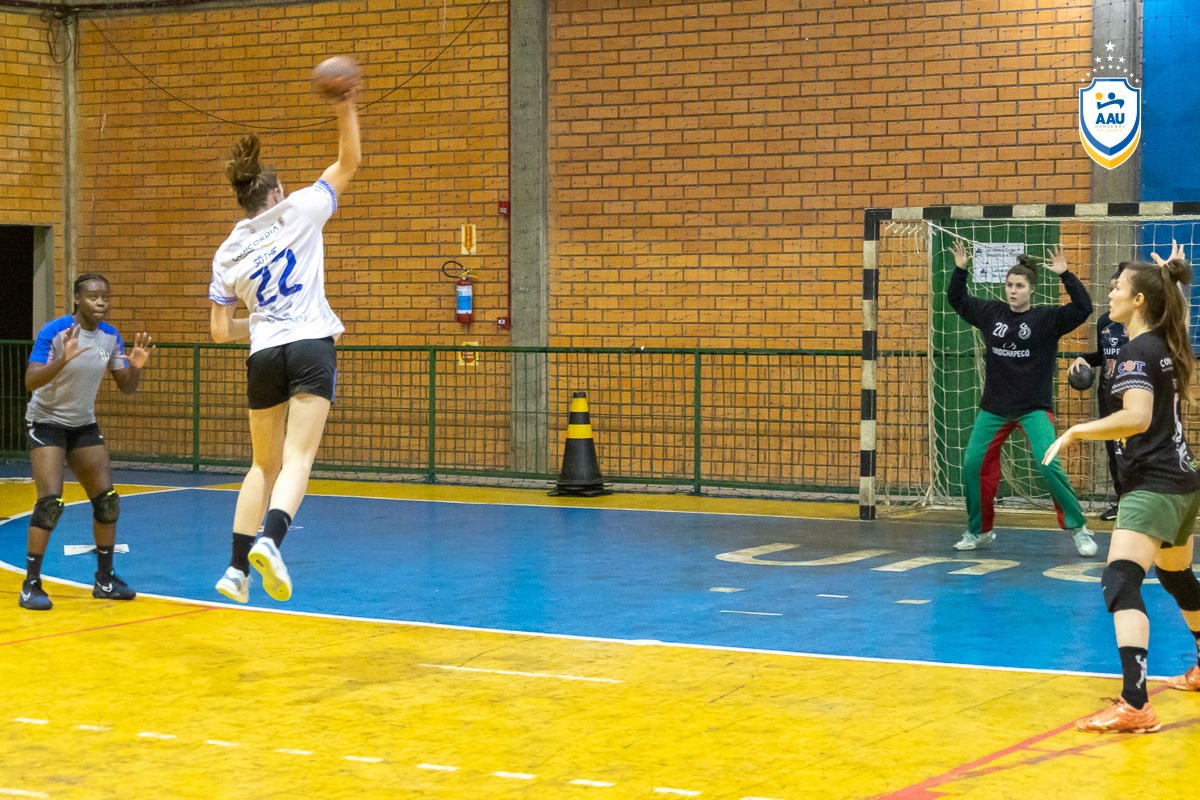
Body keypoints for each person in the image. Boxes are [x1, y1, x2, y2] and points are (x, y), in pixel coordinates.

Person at [208, 68, 361, 604]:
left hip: (264, 352)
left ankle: (235, 571)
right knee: (299, 460)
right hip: (311, 343)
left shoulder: (227, 251)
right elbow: (349, 164)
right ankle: (271, 543)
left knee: (260, 465)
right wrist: (344, 104)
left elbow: (221, 331)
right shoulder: (299, 206)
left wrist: (265, 318)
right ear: (274, 191)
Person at [1043, 242, 1200, 733]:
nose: (1110, 292)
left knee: (1120, 581)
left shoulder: (1138, 349)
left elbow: (1136, 417)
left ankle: (1135, 704)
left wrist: (1074, 432)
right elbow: (1177, 310)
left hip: (1153, 484)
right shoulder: (1169, 340)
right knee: (1177, 578)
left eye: (1117, 288)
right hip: (1184, 482)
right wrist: (1171, 280)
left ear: (1138, 302)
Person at [947, 241, 1097, 556]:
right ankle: (979, 531)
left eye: (1019, 286)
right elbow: (957, 299)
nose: (1013, 290)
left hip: (1034, 409)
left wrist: (1066, 274)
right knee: (973, 464)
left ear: (1031, 289)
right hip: (995, 408)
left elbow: (1084, 308)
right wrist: (961, 269)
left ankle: (1079, 527)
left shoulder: (1047, 319)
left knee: (1048, 464)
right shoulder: (990, 313)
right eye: (1009, 285)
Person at [19, 273, 153, 610]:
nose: (101, 302)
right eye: (93, 296)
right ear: (78, 298)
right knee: (50, 502)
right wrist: (63, 359)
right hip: (46, 423)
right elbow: (30, 381)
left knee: (107, 501)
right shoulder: (55, 332)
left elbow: (126, 386)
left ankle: (105, 580)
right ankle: (31, 584)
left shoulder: (110, 338)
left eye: (105, 297)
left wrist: (135, 367)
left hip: (82, 426)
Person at [1069, 264, 1130, 522]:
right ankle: (1121, 502)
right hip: (1107, 394)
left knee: (1134, 450)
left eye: (1117, 288)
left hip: (1131, 395)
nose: (1111, 294)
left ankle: (1137, 503)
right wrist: (1082, 358)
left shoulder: (1141, 324)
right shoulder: (1106, 322)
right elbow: (1102, 356)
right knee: (1113, 450)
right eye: (1110, 289)